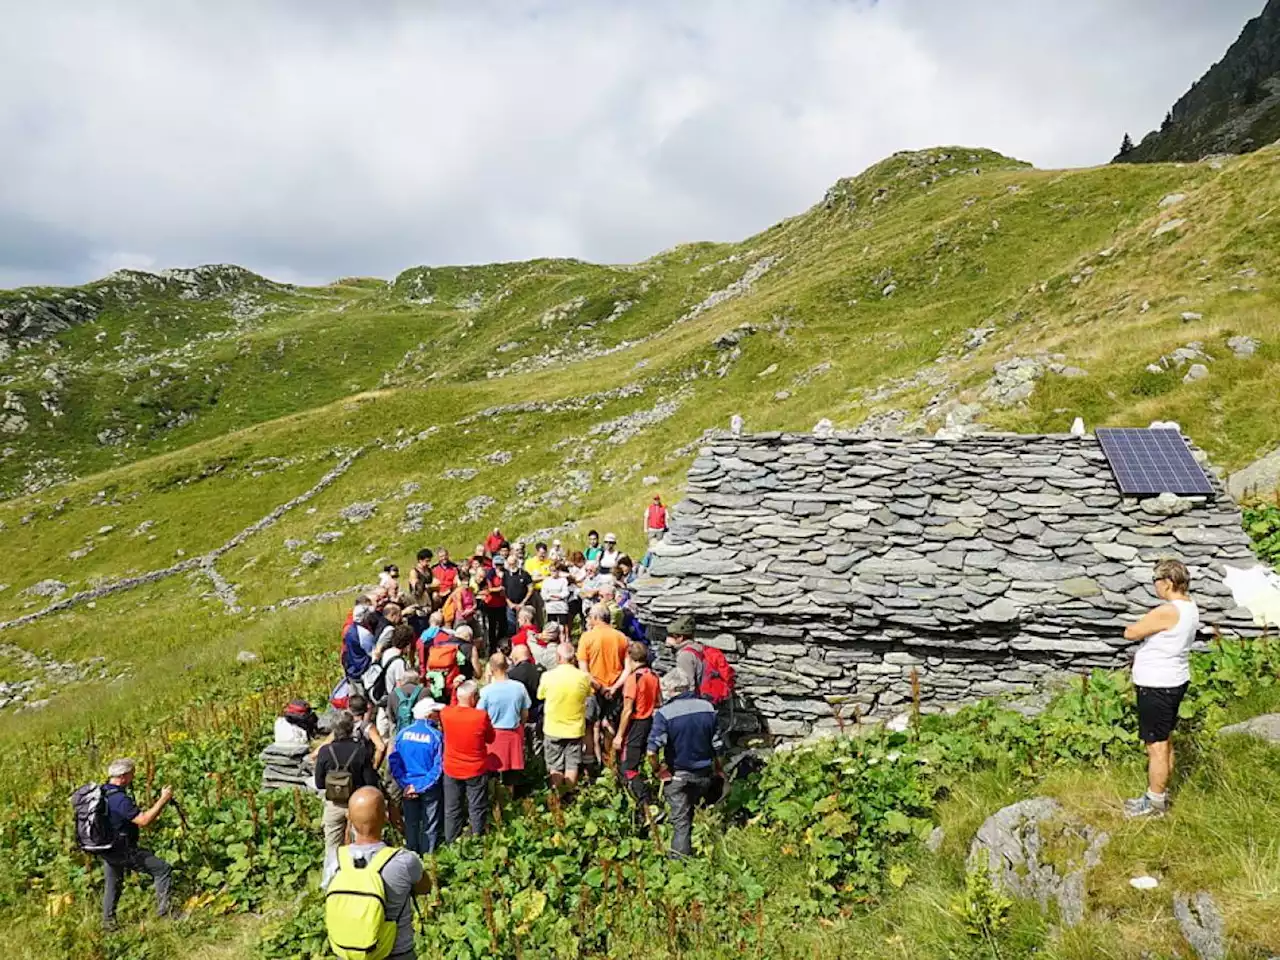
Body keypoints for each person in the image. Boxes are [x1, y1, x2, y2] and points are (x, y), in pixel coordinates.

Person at [1122, 559, 1200, 819]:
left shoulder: (1168, 611)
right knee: (1165, 740)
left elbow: (1130, 632)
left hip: (1157, 684)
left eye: (1155, 581)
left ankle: (1154, 803)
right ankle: (1159, 794)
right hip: (1174, 680)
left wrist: (1141, 623)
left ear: (1167, 582)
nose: (1154, 586)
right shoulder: (1190, 606)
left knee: (1155, 745)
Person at [327, 787, 429, 960]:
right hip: (396, 952)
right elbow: (425, 888)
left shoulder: (335, 859)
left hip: (347, 953)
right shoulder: (404, 861)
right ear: (386, 817)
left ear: (349, 819)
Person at [647, 671, 725, 858]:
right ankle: (713, 852)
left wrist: (658, 769)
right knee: (704, 815)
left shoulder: (665, 714)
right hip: (704, 775)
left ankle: (679, 866)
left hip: (678, 776)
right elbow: (719, 746)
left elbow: (651, 751)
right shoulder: (707, 708)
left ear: (671, 690)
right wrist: (719, 769)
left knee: (682, 824)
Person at [98, 758, 176, 930]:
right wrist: (163, 799)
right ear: (124, 776)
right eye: (132, 774)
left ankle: (108, 923)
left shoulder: (102, 792)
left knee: (113, 883)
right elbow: (144, 820)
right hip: (123, 849)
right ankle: (166, 915)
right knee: (162, 869)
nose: (134, 778)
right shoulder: (119, 799)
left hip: (107, 848)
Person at [314, 715, 380, 879]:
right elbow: (370, 781)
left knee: (331, 844)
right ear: (351, 729)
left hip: (334, 804)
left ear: (333, 731)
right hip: (357, 804)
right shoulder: (360, 750)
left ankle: (330, 880)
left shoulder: (325, 751)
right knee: (360, 844)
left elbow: (319, 783)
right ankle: (359, 878)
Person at [440, 681, 495, 842]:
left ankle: (451, 842)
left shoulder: (446, 714)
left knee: (452, 809)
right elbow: (491, 738)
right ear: (473, 698)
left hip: (452, 768)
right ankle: (477, 840)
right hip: (475, 768)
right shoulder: (480, 716)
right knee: (476, 808)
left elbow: (451, 707)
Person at [388, 698, 445, 854]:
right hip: (428, 788)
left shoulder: (402, 734)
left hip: (407, 788)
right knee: (430, 825)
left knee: (411, 823)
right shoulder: (436, 736)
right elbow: (438, 766)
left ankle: (411, 855)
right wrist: (419, 786)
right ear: (429, 715)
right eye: (436, 713)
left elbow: (394, 761)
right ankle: (428, 858)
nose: (439, 716)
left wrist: (405, 784)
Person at [578, 604, 632, 765]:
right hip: (615, 689)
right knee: (609, 723)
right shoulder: (621, 637)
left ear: (595, 618)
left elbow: (584, 671)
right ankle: (611, 762)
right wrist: (615, 687)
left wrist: (600, 687)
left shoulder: (586, 637)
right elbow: (628, 667)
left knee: (589, 726)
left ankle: (591, 763)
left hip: (594, 690)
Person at [537, 642, 593, 792]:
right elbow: (588, 694)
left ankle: (558, 795)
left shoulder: (548, 676)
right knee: (572, 764)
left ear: (558, 657)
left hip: (553, 727)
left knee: (555, 765)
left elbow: (540, 695)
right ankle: (569, 795)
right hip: (575, 728)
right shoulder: (582, 677)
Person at [613, 642, 661, 812]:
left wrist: (619, 735)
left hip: (635, 724)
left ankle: (646, 804)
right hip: (649, 723)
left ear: (629, 658)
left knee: (628, 767)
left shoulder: (634, 679)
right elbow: (658, 702)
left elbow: (627, 710)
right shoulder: (653, 675)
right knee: (639, 761)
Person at [478, 653, 532, 780]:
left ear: (491, 668)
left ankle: (495, 797)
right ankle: (510, 798)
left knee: (492, 773)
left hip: (493, 735)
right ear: (507, 666)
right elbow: (525, 713)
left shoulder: (486, 691)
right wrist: (521, 725)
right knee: (511, 776)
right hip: (514, 733)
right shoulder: (519, 687)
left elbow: (480, 716)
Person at [508, 644, 545, 750]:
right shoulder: (541, 672)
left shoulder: (511, 675)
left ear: (515, 658)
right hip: (539, 714)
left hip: (519, 717)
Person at [342, 604, 378, 696]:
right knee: (364, 698)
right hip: (362, 670)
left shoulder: (350, 630)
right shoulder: (364, 634)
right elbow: (373, 653)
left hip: (352, 669)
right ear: (363, 617)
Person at [479, 556, 508, 653]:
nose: (499, 566)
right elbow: (489, 589)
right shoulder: (490, 574)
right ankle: (492, 648)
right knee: (492, 627)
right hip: (491, 604)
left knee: (503, 626)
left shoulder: (506, 573)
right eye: (497, 564)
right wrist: (499, 588)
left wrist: (502, 578)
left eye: (500, 564)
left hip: (502, 604)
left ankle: (502, 646)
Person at [503, 555, 534, 635]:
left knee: (524, 626)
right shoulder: (505, 575)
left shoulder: (524, 574)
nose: (511, 566)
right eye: (509, 564)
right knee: (511, 627)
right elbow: (503, 590)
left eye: (513, 563)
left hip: (523, 604)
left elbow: (530, 588)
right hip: (510, 605)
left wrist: (523, 602)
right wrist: (509, 603)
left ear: (516, 563)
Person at [542, 562, 572, 630]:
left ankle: (565, 638)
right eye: (551, 571)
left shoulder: (563, 580)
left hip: (561, 606)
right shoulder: (546, 581)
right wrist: (550, 597)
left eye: (554, 571)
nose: (553, 573)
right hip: (550, 606)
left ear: (558, 571)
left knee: (563, 625)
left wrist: (558, 596)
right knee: (551, 625)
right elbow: (544, 594)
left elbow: (565, 592)